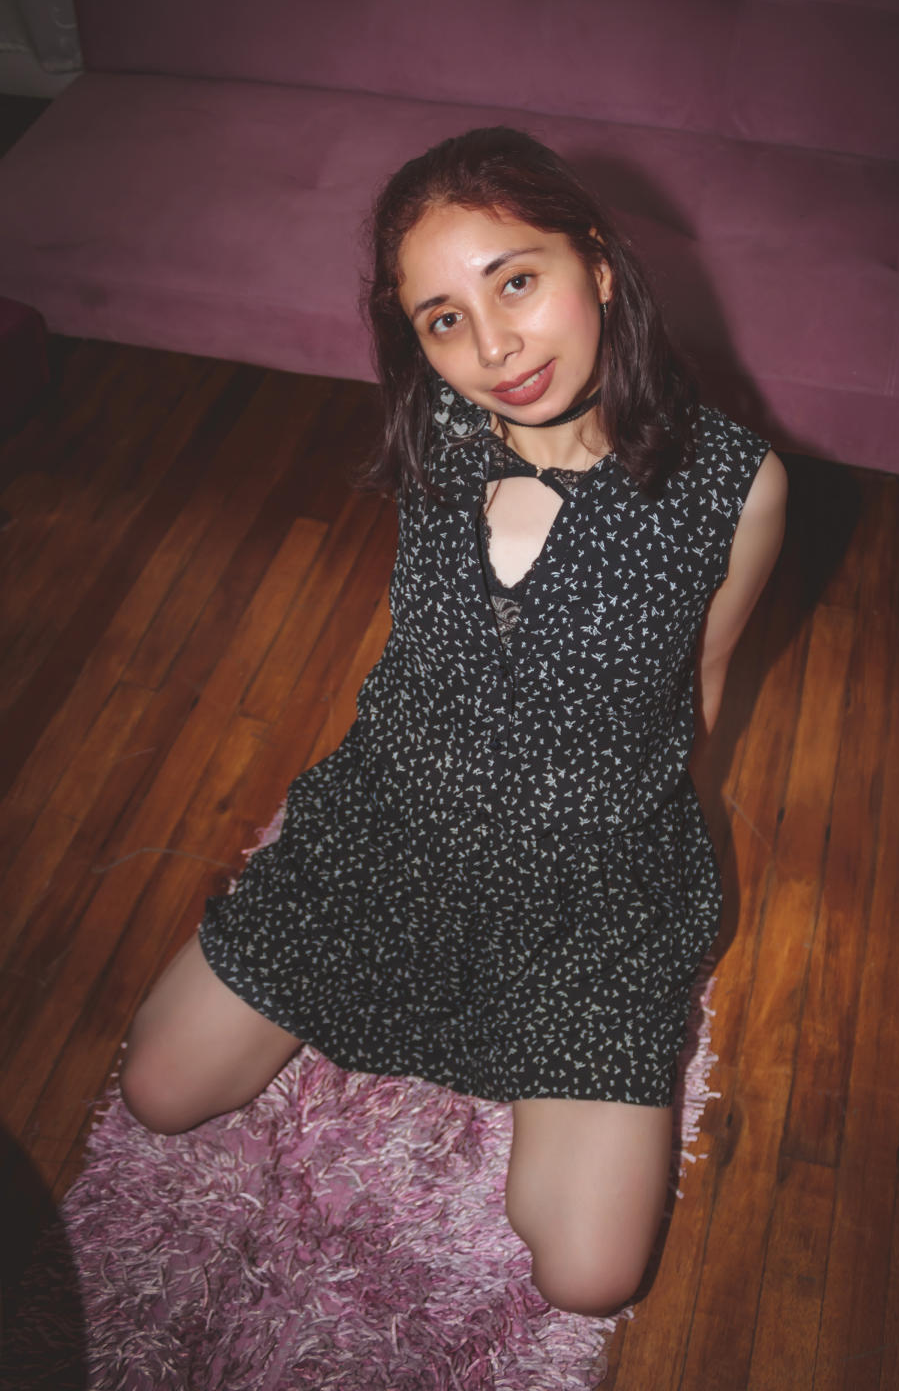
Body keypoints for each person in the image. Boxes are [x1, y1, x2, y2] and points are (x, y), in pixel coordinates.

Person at [119, 126, 788, 1319]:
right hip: (394, 828)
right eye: (442, 318)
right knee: (160, 1092)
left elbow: (704, 689)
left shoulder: (735, 487)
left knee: (587, 1275)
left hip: (588, 883)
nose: (491, 348)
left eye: (515, 282)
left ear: (597, 263)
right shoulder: (435, 430)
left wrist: (665, 888)